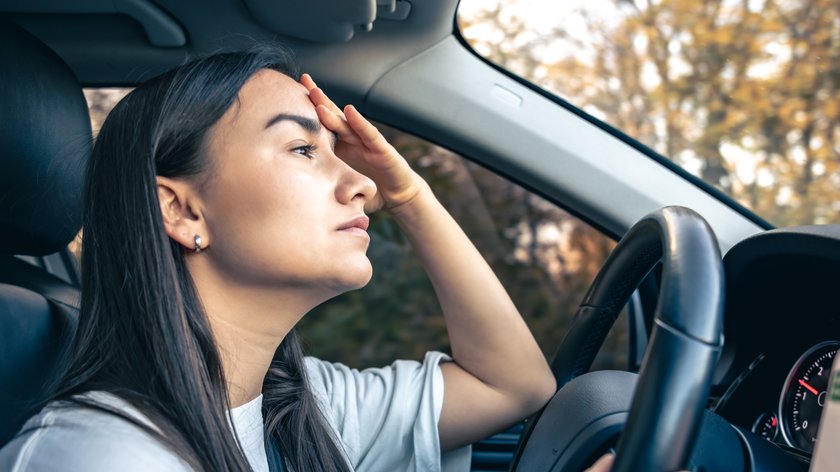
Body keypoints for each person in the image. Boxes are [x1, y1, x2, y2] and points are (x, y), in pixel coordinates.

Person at [0, 46, 567, 471]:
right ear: (181, 211)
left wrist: (411, 198)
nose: (363, 185)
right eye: (302, 149)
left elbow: (513, 385)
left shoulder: (301, 407)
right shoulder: (96, 457)